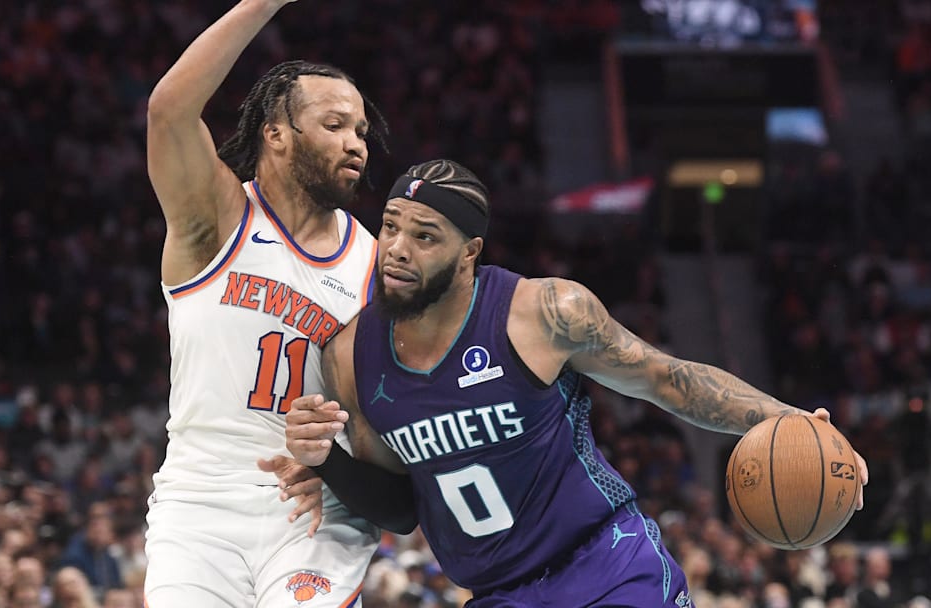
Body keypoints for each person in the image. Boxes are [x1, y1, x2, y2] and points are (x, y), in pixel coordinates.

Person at [283, 159, 869, 606]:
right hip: (497, 594)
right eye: (390, 226)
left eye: (425, 236)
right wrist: (328, 461)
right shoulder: (350, 356)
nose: (396, 250)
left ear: (469, 254)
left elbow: (666, 379)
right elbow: (398, 508)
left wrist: (789, 420)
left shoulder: (543, 313)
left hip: (607, 565)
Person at [144, 0, 386, 605]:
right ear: (275, 134)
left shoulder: (378, 264)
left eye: (360, 131)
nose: (355, 144)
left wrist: (345, 472)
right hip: (198, 504)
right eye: (335, 125)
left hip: (314, 507)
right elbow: (169, 111)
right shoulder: (216, 220)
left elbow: (385, 415)